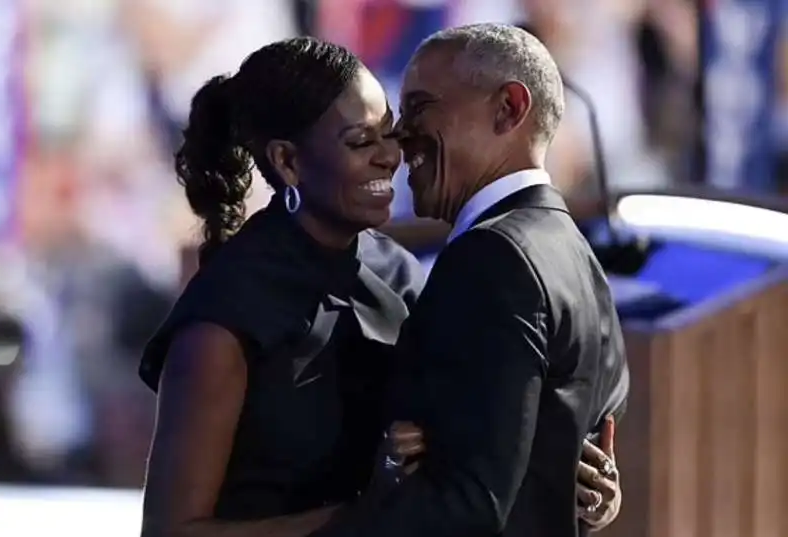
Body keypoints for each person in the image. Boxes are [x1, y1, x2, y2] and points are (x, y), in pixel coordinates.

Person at [138, 36, 621, 537]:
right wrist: (370, 513)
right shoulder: (223, 318)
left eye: (390, 133)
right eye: (360, 142)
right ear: (287, 162)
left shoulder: (402, 273)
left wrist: (571, 483)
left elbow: (470, 448)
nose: (391, 156)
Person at [308, 24, 629, 537]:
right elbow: (543, 483)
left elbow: (470, 509)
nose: (399, 136)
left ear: (508, 109)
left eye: (418, 108)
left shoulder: (494, 257)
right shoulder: (576, 253)